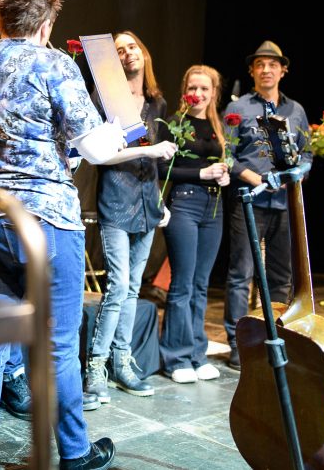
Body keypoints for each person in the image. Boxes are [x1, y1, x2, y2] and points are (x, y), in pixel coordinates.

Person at [0, 0, 135, 470]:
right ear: (47, 21)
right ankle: (75, 453)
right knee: (56, 346)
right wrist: (119, 130)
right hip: (44, 221)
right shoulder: (54, 64)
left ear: (1, 18)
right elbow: (97, 150)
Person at [83, 31, 176, 403]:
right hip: (116, 200)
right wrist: (149, 151)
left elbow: (152, 160)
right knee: (118, 286)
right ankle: (96, 366)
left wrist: (159, 200)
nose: (127, 53)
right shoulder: (104, 100)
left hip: (147, 202)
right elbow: (100, 155)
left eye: (132, 46)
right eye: (119, 50)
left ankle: (122, 362)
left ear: (144, 52)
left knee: (134, 288)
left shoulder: (157, 103)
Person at [222, 41, 310, 370]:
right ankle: (239, 345)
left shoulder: (296, 110)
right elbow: (226, 153)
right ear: (252, 71)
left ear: (283, 70)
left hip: (284, 203)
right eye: (260, 65)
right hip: (250, 200)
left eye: (272, 65)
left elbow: (307, 154)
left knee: (281, 277)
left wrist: (296, 174)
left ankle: (274, 338)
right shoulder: (239, 108)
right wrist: (256, 179)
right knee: (241, 274)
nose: (266, 70)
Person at [157, 65, 231, 383]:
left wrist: (224, 175)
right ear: (184, 91)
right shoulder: (175, 123)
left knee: (201, 285)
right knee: (183, 284)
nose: (198, 94)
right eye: (192, 88)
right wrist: (200, 173)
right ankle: (176, 357)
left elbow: (221, 164)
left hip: (214, 206)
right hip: (185, 203)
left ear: (214, 93)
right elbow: (162, 169)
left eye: (204, 89)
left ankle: (197, 354)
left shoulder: (218, 126)